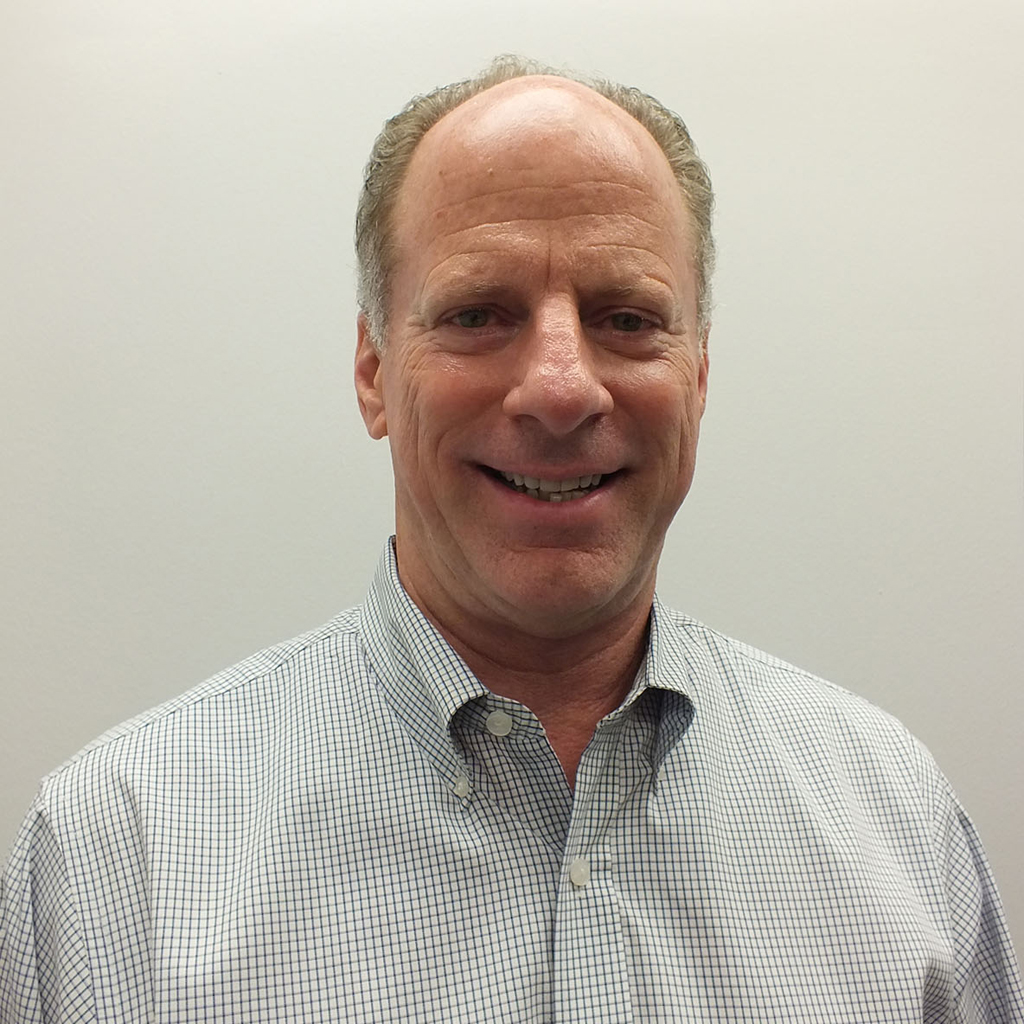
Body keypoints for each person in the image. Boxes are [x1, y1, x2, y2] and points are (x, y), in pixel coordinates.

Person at [1, 55, 1021, 1023]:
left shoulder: (895, 820)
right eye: (479, 314)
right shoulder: (115, 861)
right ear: (372, 372)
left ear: (699, 377)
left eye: (627, 318)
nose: (562, 388)